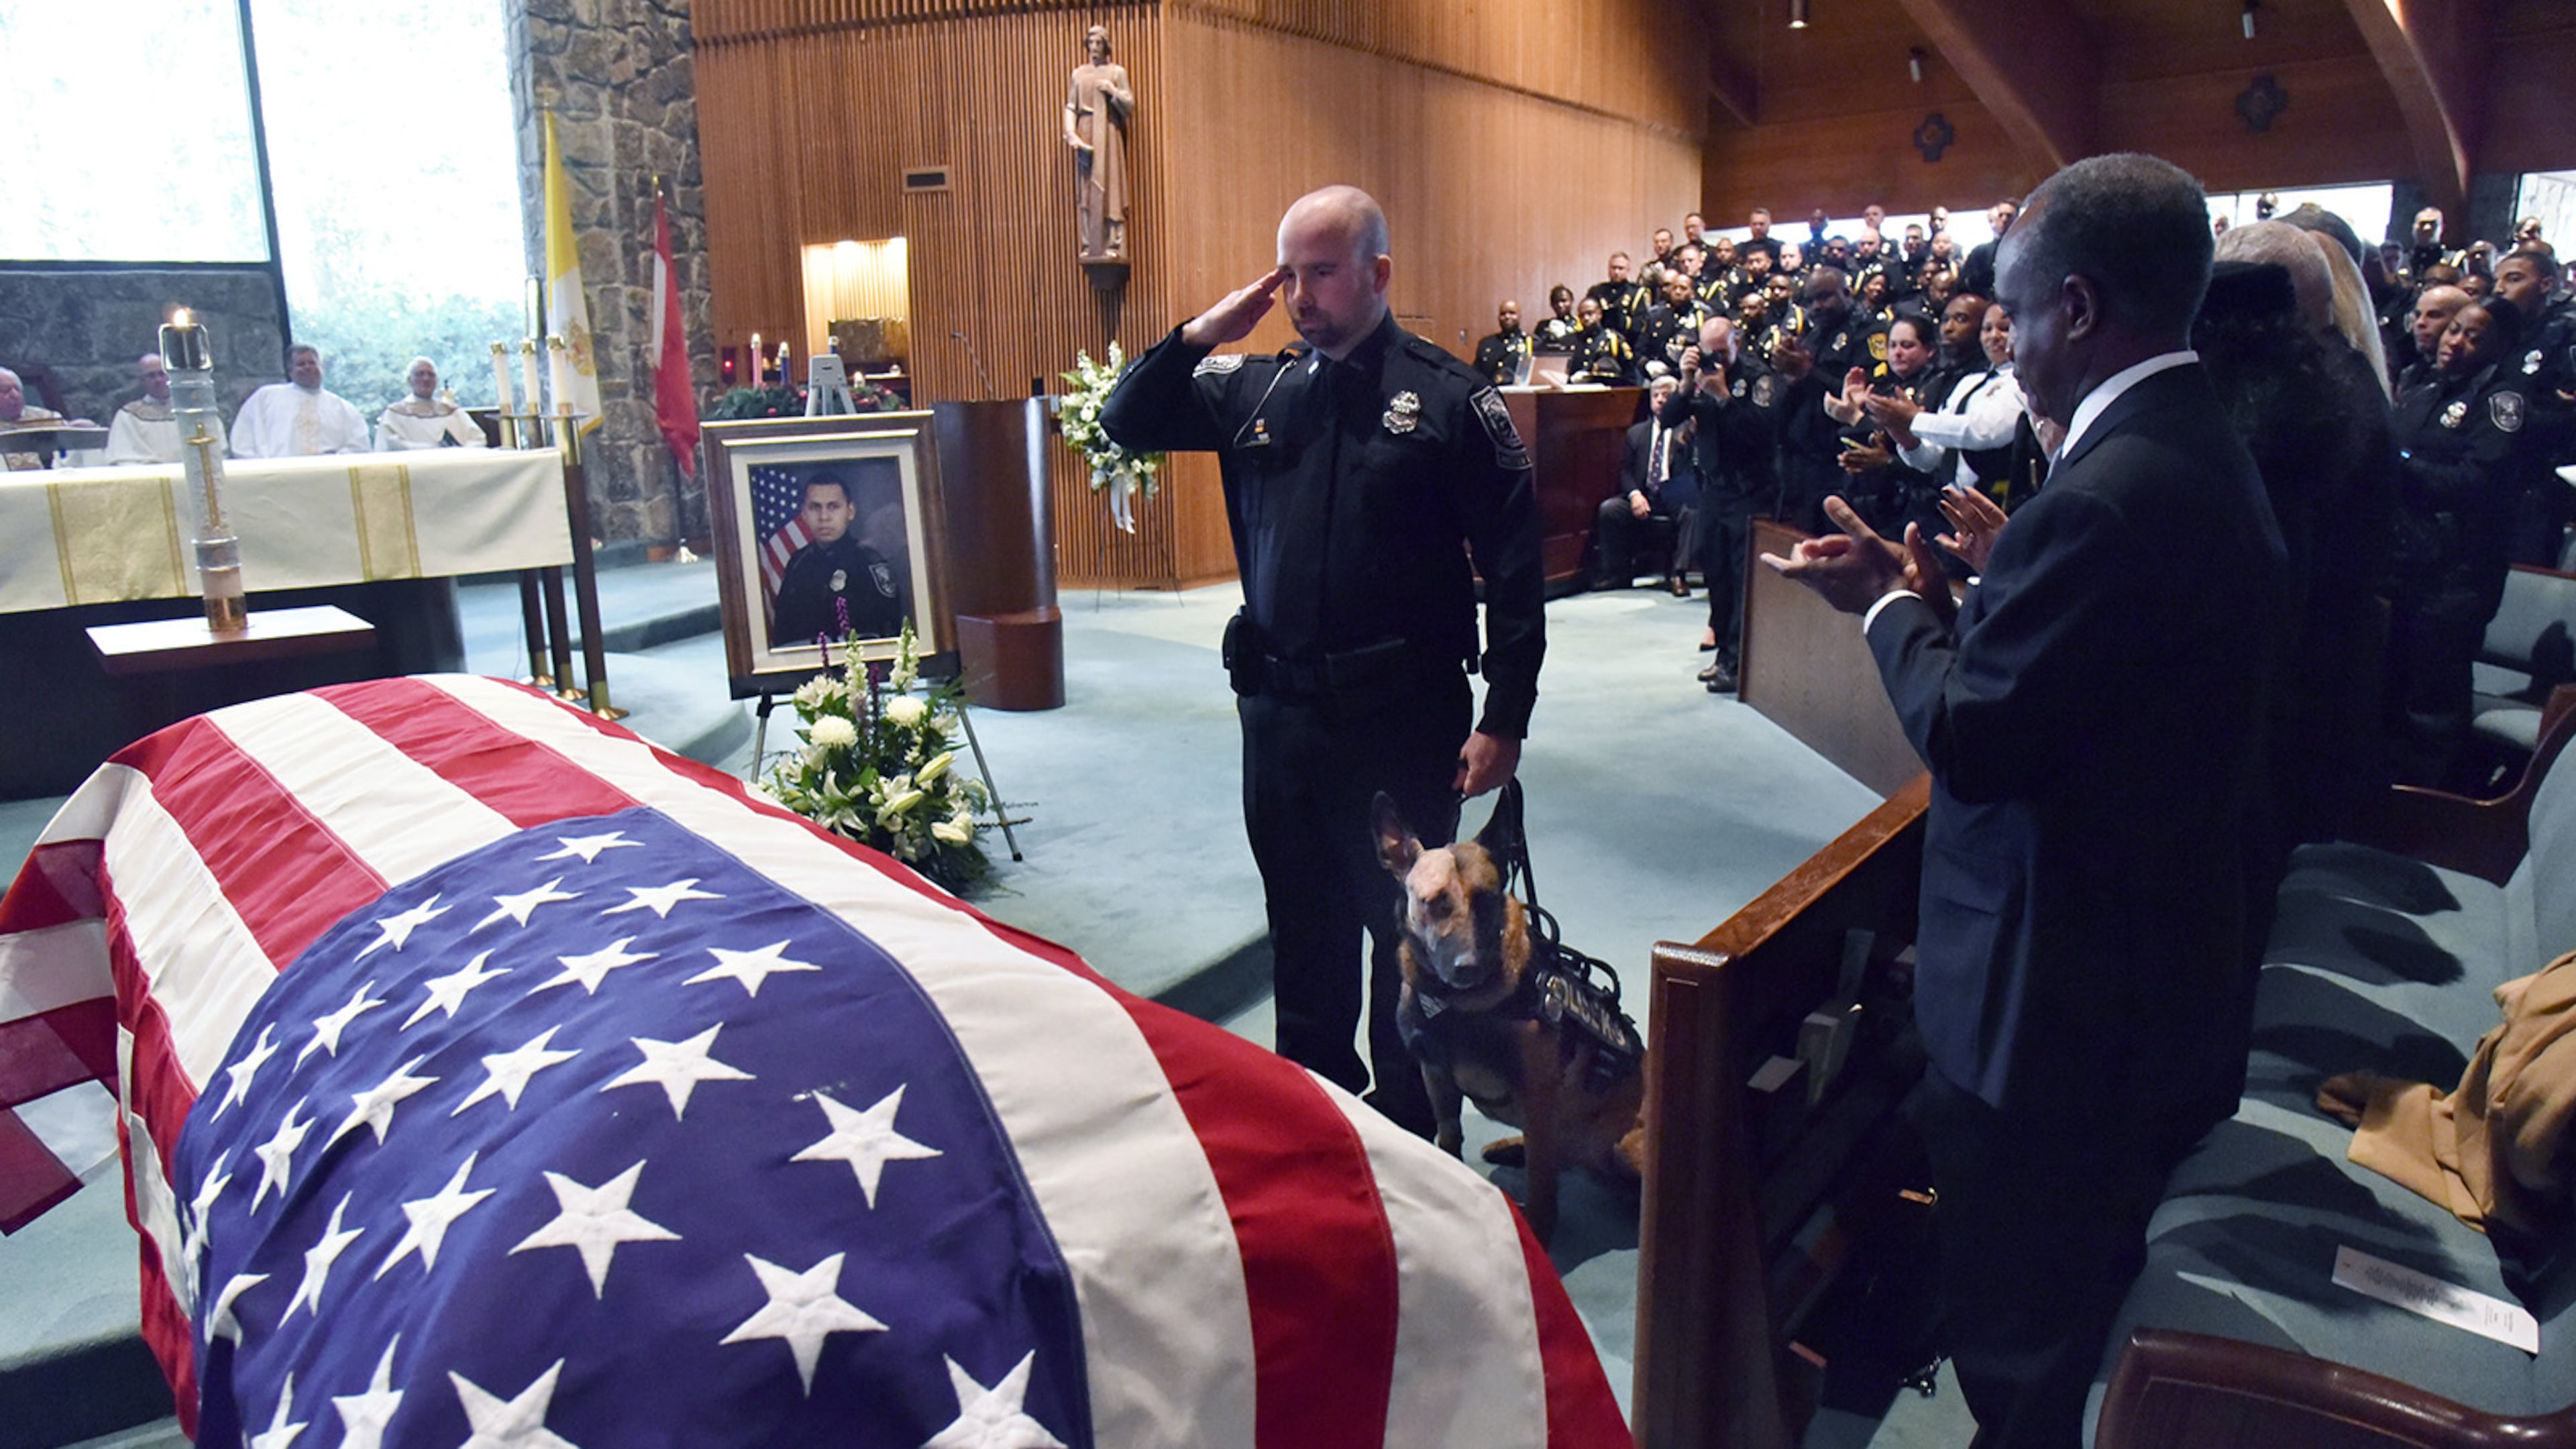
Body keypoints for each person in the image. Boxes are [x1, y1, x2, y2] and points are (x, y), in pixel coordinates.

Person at [1764, 152, 2290, 1449]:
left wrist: (1880, 607)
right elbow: (2099, 690)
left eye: (2012, 315)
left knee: (2022, 1334)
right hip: (2143, 960)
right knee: (2065, 1286)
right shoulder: (2189, 446)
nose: (2005, 345)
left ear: (2080, 309)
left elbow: (1979, 740)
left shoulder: (2107, 496)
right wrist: (1952, 594)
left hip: (2053, 1003)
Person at [1096, 184, 1544, 1138]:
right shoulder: (1253, 387)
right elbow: (1126, 420)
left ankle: (1412, 1133)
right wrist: (1204, 332)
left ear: (1379, 274)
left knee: (1408, 936)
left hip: (1402, 714)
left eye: (1323, 273)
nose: (1300, 295)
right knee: (1303, 926)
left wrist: (1505, 714)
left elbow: (1515, 571)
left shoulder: (1453, 401)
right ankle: (1319, 1123)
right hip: (1283, 719)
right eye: (1288, 274)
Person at [2386, 300, 2542, 788]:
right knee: (2388, 690)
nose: (2455, 341)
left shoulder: (2502, 401)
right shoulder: (2425, 384)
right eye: (2454, 330)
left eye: (2473, 337)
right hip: (2403, 562)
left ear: (2501, 348)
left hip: (2454, 577)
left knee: (2431, 704)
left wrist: (2402, 462)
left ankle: (2430, 810)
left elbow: (2478, 483)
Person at [1674, 315, 1780, 694]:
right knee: (1716, 574)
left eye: (1722, 351)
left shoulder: (1757, 377)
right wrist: (1687, 384)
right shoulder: (1700, 374)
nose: (1715, 359)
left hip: (1749, 492)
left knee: (1741, 579)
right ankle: (1724, 654)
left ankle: (1739, 663)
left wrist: (1724, 396)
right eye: (1709, 352)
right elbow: (1669, 416)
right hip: (1714, 491)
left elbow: (1762, 432)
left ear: (1737, 343)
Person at [771, 472, 908, 645]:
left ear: (850, 512)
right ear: (804, 514)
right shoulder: (798, 564)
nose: (824, 517)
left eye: (833, 507)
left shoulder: (869, 564)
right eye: (815, 507)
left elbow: (889, 631)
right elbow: (783, 632)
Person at [1595, 376, 1694, 593]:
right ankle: (1616, 573)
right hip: (1645, 492)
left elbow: (1693, 469)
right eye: (1655, 395)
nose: (1660, 400)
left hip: (1675, 492)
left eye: (1666, 395)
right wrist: (1634, 494)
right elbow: (1625, 469)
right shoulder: (1636, 432)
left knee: (1691, 512)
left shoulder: (1687, 430)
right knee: (1610, 510)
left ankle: (1679, 574)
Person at [1063, 24, 1134, 261]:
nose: (1094, 48)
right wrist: (1071, 133)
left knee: (1111, 186)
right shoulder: (1079, 74)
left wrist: (1113, 92)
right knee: (1087, 189)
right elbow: (1071, 107)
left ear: (1106, 46)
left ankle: (1114, 242)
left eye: (1099, 43)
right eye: (1091, 43)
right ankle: (1090, 242)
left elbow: (1129, 105)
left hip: (1109, 132)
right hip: (1086, 130)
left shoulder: (1117, 72)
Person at [229, 345, 370, 457]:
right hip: (277, 479)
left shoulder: (343, 408)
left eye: (312, 363)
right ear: (290, 371)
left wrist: (334, 460)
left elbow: (359, 445)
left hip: (329, 479)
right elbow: (243, 440)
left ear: (321, 368)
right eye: (301, 364)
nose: (308, 368)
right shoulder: (265, 398)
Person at [375, 358, 489, 451]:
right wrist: (431, 450)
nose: (426, 378)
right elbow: (390, 446)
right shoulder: (395, 414)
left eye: (431, 375)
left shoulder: (452, 412)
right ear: (410, 380)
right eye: (420, 374)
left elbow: (478, 439)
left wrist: (459, 452)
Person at [105, 352, 189, 464]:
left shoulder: (190, 413)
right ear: (142, 381)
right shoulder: (129, 416)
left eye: (162, 374)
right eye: (151, 376)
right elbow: (122, 457)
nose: (158, 380)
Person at [1, 366, 72, 471]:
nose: (15, 395)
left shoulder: (48, 419)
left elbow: (69, 454)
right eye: (5, 390)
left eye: (18, 389)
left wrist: (83, 429)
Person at [1566, 295, 1638, 385]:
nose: (1586, 318)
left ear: (1599, 314)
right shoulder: (1576, 341)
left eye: (1590, 313)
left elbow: (1630, 376)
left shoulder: (1613, 339)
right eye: (1582, 315)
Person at [1585, 253, 1652, 342]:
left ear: (1628, 270)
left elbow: (1640, 324)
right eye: (1613, 268)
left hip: (1627, 342)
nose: (1616, 272)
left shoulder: (1636, 293)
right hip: (1599, 342)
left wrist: (1621, 320)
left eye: (1620, 269)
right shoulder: (1597, 292)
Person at [1472, 299, 1532, 387]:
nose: (1507, 317)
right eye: (1503, 314)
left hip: (1519, 395)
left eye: (1512, 313)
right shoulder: (1486, 344)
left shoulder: (1530, 343)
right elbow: (1477, 374)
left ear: (1519, 316)